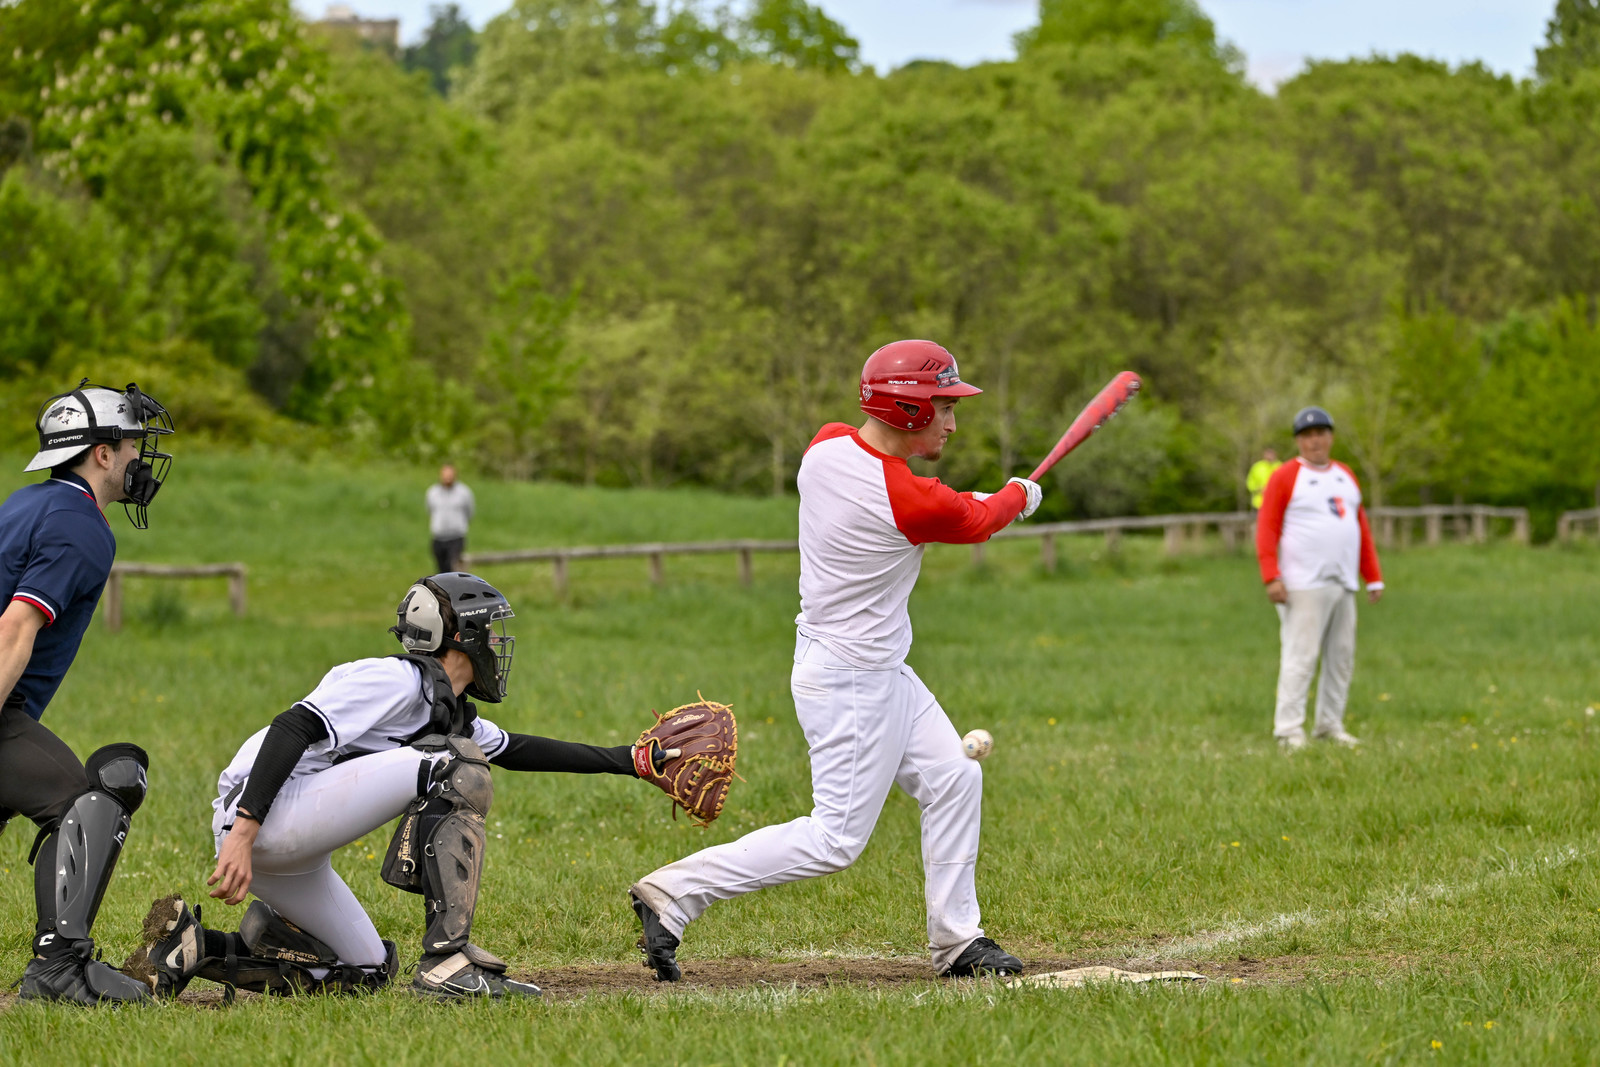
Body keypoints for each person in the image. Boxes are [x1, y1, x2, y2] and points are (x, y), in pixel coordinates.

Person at [628, 339, 1042, 982]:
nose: (953, 423)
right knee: (835, 840)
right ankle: (674, 894)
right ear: (906, 410)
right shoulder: (910, 498)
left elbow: (959, 506)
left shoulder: (826, 447)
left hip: (875, 669)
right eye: (943, 407)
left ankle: (959, 941)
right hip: (852, 679)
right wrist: (1022, 493)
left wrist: (1002, 496)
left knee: (956, 779)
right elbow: (982, 516)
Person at [127, 572, 683, 1000]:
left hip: (289, 840)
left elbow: (517, 749)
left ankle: (199, 949)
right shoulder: (395, 679)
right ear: (462, 636)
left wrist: (632, 761)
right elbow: (291, 727)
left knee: (365, 970)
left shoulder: (445, 707)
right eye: (490, 629)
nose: (497, 641)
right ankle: (448, 961)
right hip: (263, 816)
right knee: (452, 765)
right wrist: (244, 834)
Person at [1, 380, 175, 1004]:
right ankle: (59, 969)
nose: (140, 457)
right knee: (93, 796)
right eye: (132, 443)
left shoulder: (27, 503)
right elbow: (15, 628)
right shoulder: (81, 524)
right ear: (101, 452)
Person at [1255, 406, 1384, 751]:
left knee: (1341, 656)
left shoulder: (1345, 474)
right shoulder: (1285, 476)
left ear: (1331, 437)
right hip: (1303, 583)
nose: (1315, 441)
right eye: (1308, 435)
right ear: (1298, 440)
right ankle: (1288, 730)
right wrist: (1271, 576)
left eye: (1321, 433)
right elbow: (1267, 527)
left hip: (1342, 581)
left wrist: (1372, 576)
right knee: (1302, 656)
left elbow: (1359, 527)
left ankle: (1329, 724)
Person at [425, 464, 474, 573]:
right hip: (438, 537)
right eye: (445, 475)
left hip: (455, 538)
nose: (448, 478)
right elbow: (430, 510)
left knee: (454, 569)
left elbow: (469, 512)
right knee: (440, 571)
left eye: (450, 475)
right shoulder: (432, 492)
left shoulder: (464, 492)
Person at [1246, 447, 1282, 511]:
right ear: (1264, 455)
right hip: (1259, 503)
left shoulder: (1281, 466)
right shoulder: (1257, 466)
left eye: (1271, 454)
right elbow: (1250, 482)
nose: (1269, 456)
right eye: (1268, 454)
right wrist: (1258, 489)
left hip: (1277, 502)